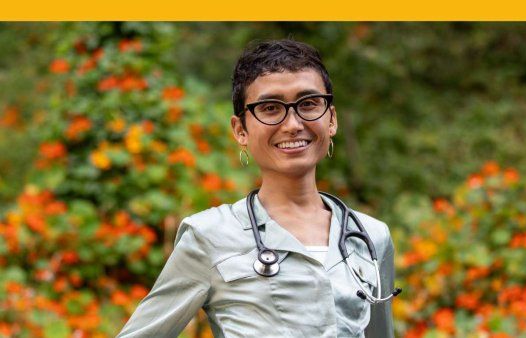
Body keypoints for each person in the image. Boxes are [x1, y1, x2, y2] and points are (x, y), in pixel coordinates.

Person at [117, 39, 396, 338]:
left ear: (332, 119)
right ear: (240, 131)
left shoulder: (371, 237)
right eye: (271, 108)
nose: (293, 124)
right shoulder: (208, 237)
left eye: (308, 104)